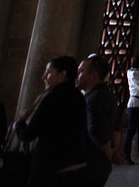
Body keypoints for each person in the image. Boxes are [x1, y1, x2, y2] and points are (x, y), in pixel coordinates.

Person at [14, 55, 87, 186]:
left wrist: (19, 123)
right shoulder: (79, 97)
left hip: (49, 167)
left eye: (48, 72)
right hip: (74, 163)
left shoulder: (51, 98)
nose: (44, 77)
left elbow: (28, 135)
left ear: (62, 74)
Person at [76, 55, 119, 186]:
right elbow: (115, 125)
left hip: (91, 160)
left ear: (93, 75)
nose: (78, 75)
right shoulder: (105, 94)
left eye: (81, 72)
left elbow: (96, 131)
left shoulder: (94, 98)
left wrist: (108, 155)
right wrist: (115, 148)